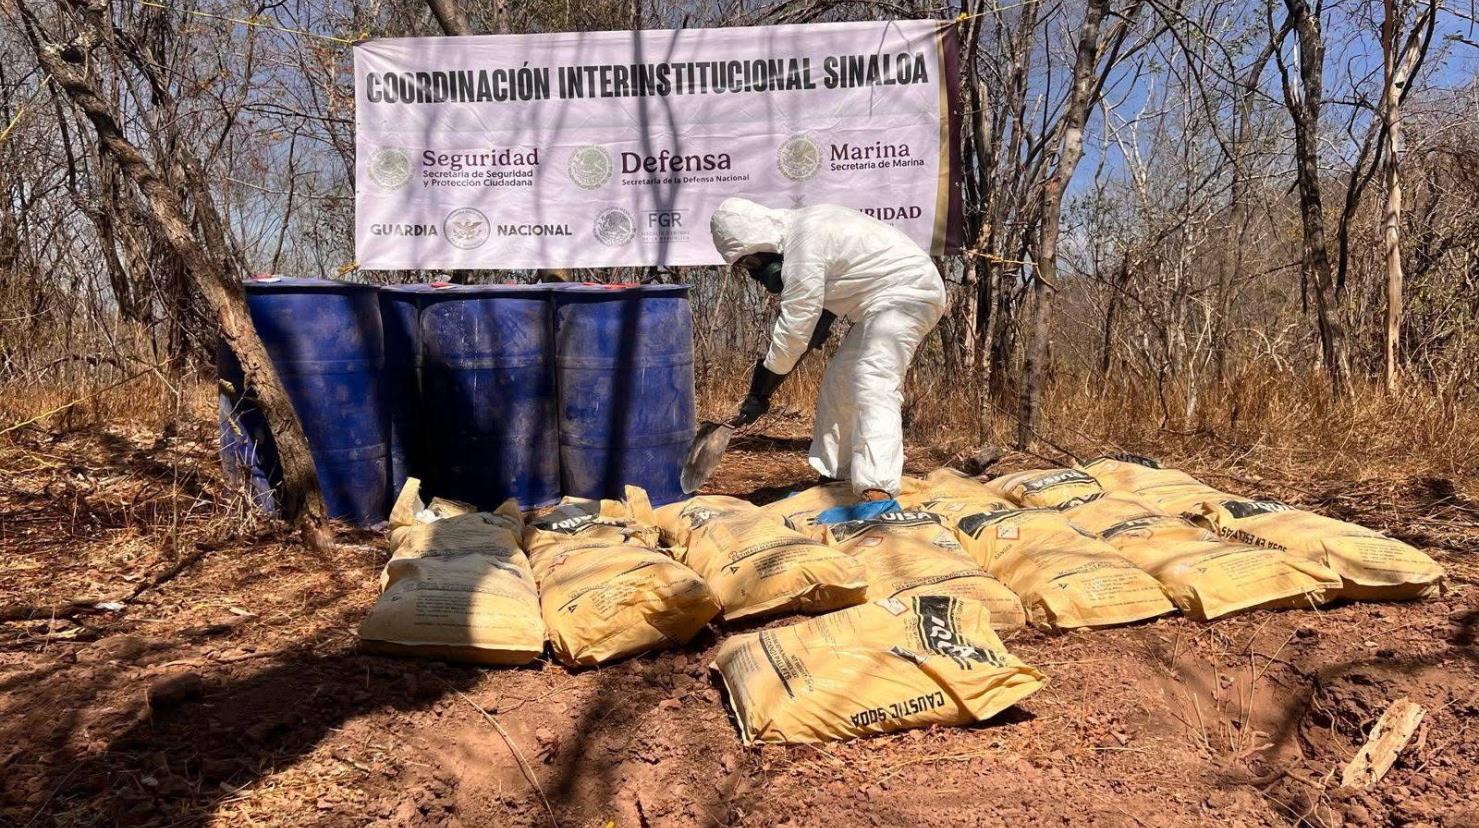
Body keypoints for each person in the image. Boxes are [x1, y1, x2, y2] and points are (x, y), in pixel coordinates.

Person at [708, 197, 947, 506]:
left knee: (873, 378)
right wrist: (762, 391)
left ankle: (878, 490)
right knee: (839, 380)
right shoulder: (801, 234)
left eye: (752, 262)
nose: (756, 273)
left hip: (910, 294)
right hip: (880, 302)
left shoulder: (804, 244)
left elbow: (794, 331)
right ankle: (837, 477)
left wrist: (760, 392)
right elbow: (811, 329)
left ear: (761, 241)